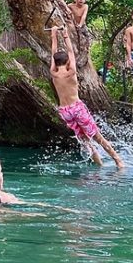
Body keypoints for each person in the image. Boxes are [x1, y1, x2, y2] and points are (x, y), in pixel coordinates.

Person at [51, 27, 124, 168]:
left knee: (84, 140)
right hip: (76, 108)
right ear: (67, 62)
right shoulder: (70, 71)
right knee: (97, 136)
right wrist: (65, 36)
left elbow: (53, 53)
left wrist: (53, 35)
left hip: (64, 111)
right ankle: (118, 161)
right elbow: (71, 52)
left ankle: (99, 164)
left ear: (55, 62)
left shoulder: (53, 73)